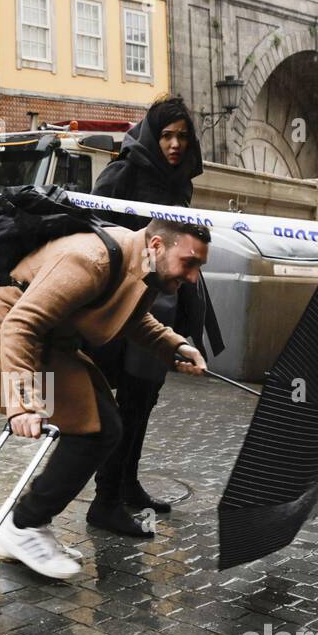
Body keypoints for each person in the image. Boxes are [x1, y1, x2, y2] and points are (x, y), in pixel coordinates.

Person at [0, 218, 210, 580]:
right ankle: (23, 527)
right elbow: (21, 325)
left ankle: (25, 529)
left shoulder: (137, 261)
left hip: (49, 343)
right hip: (11, 339)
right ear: (157, 245)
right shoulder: (90, 259)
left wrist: (176, 345)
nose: (192, 277)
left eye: (199, 267)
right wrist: (23, 403)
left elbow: (133, 319)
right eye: (189, 263)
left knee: (105, 425)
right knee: (98, 430)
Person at [89, 95, 208, 537]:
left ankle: (128, 484)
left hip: (167, 303)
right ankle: (105, 501)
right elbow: (95, 228)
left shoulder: (180, 182)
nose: (175, 145)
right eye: (167, 135)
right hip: (129, 307)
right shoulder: (125, 171)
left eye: (182, 136)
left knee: (145, 402)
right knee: (126, 403)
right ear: (152, 135)